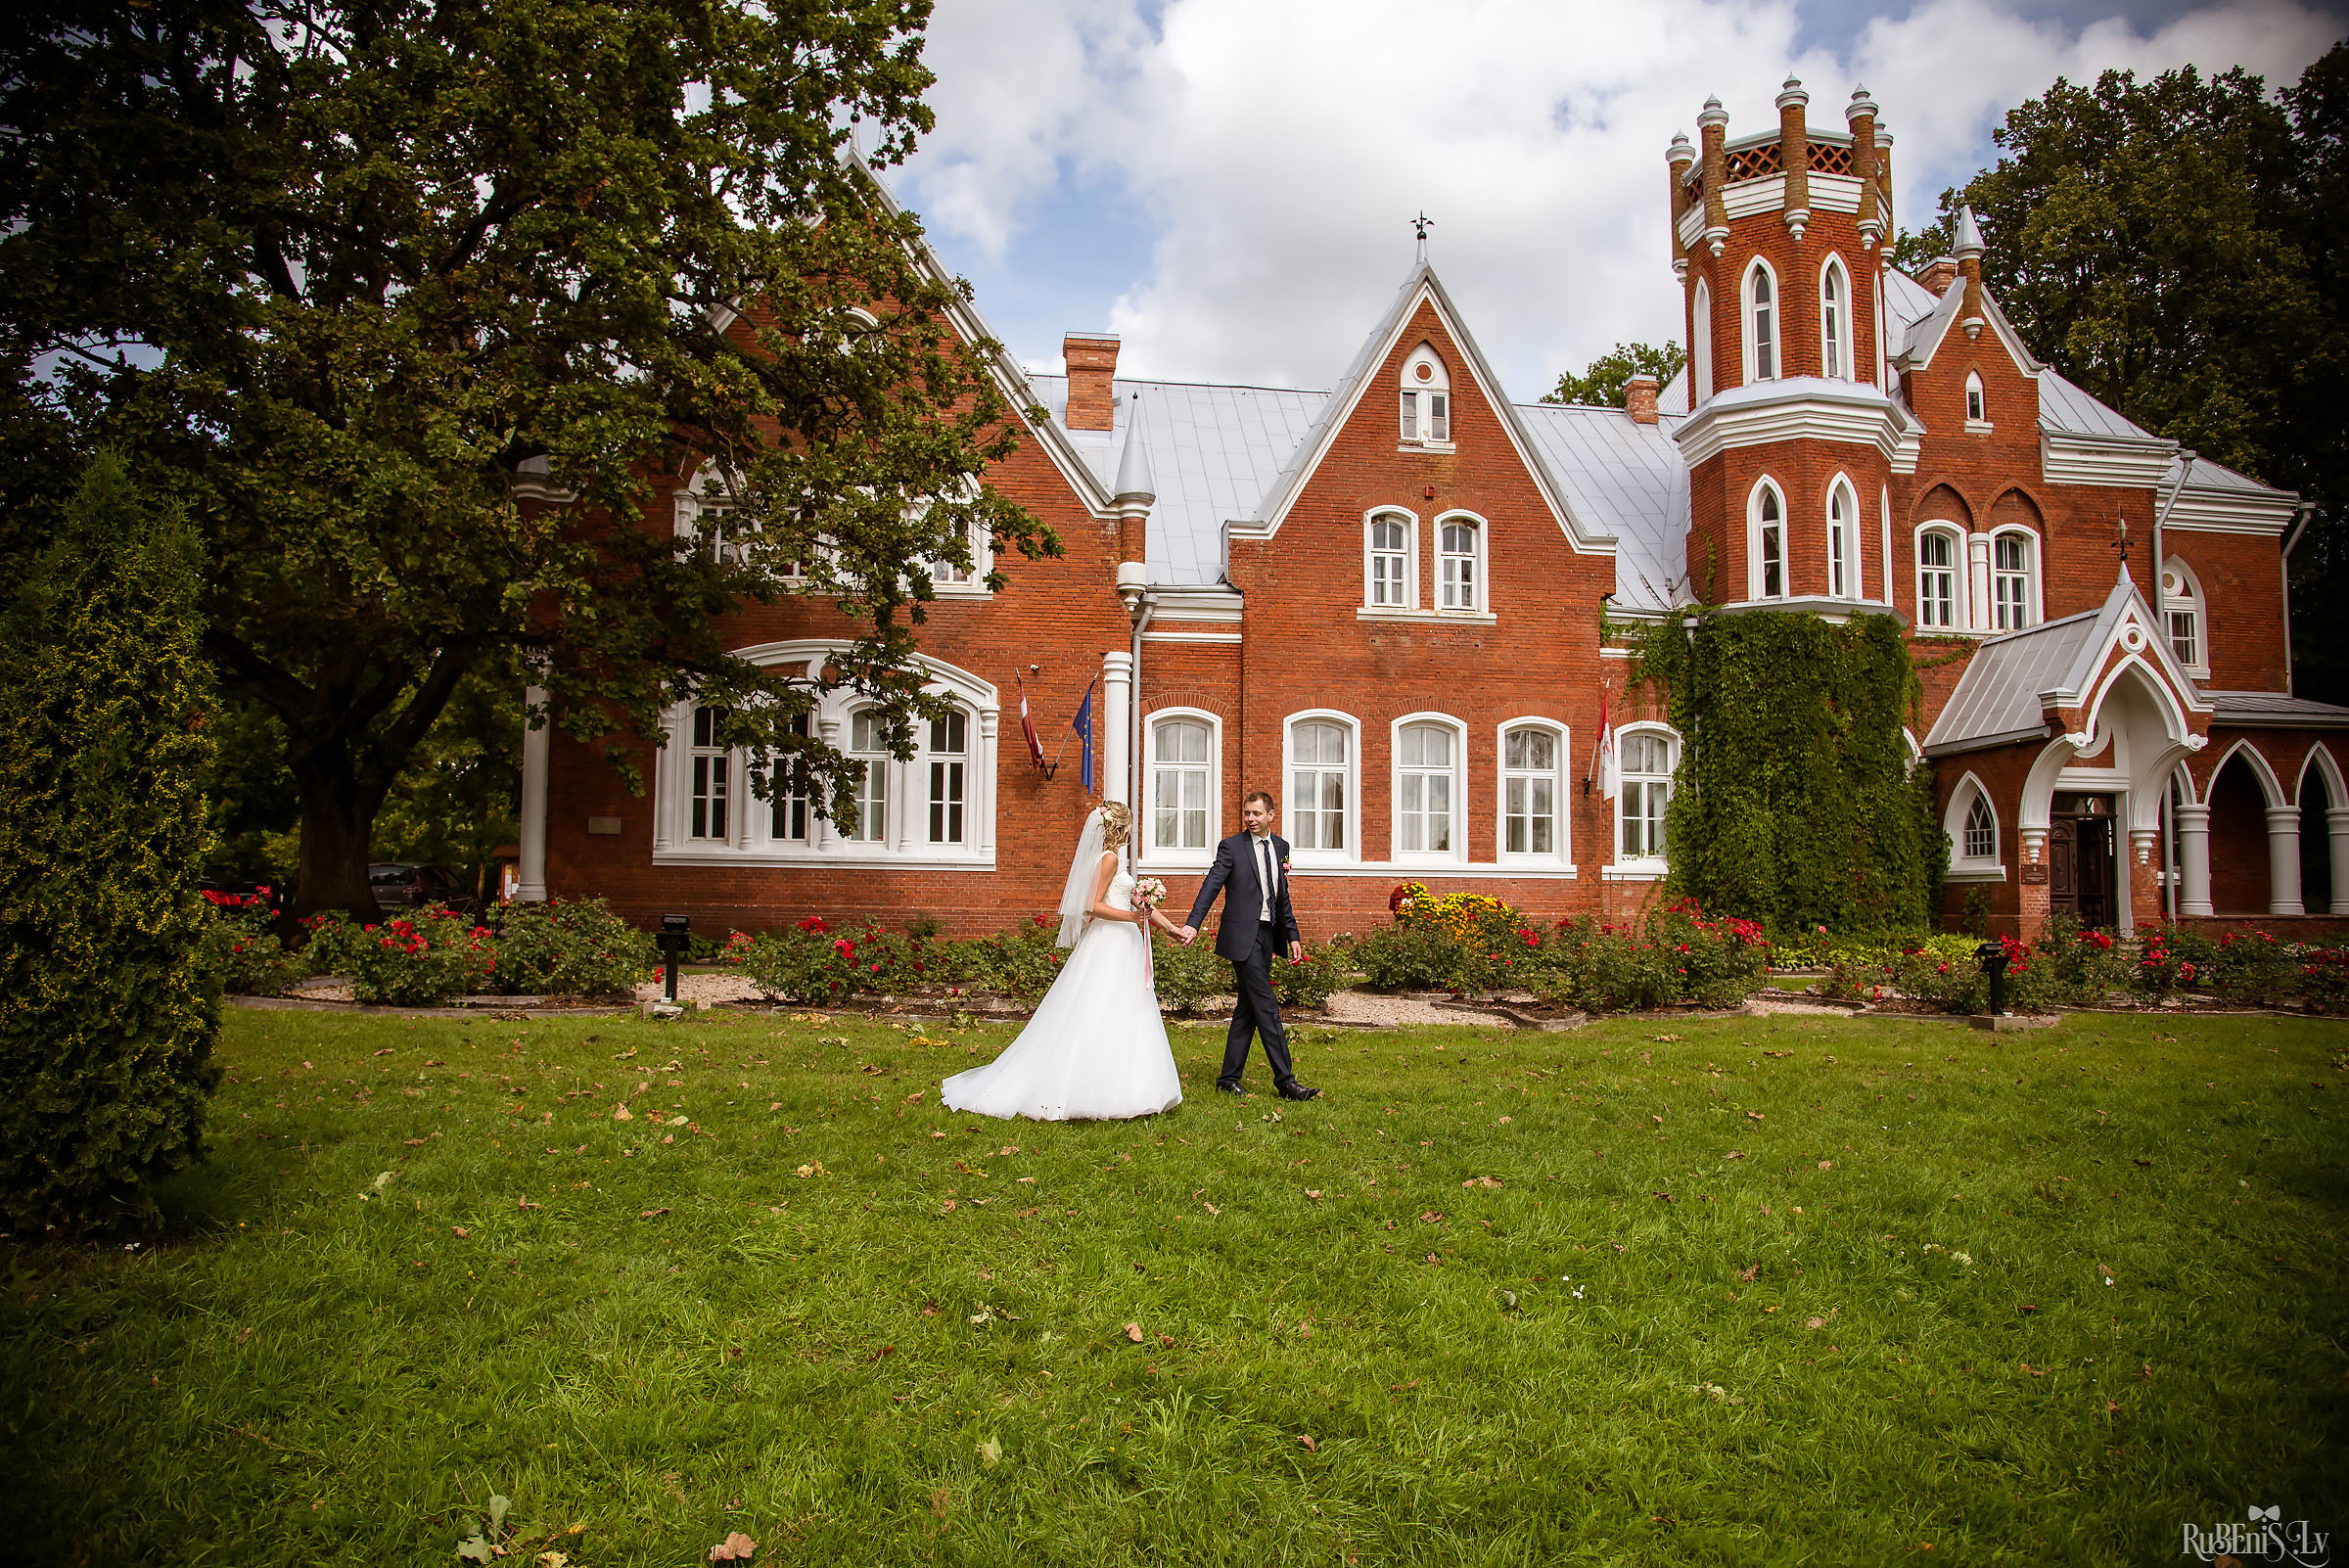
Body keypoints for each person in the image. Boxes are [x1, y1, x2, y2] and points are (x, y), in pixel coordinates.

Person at [942, 802, 1185, 1121]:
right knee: (1103, 1009)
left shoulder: (1116, 860)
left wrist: (1170, 929)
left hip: (1123, 942)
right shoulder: (1109, 859)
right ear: (1122, 828)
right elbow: (1091, 905)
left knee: (1123, 1010)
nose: (1131, 831)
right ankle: (1100, 1089)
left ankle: (1127, 1085)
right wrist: (1130, 918)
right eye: (1130, 826)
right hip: (1109, 943)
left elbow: (1140, 903)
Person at [1174, 790, 1319, 1100]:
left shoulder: (1281, 847)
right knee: (1266, 1006)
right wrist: (1193, 922)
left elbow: (1282, 895)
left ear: (1271, 815)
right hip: (1243, 937)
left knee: (1248, 1009)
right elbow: (1211, 883)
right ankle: (1286, 1081)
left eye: (1256, 813)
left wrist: (1292, 935)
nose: (1250, 819)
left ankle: (1228, 1078)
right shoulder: (1232, 847)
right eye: (1247, 814)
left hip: (1269, 934)